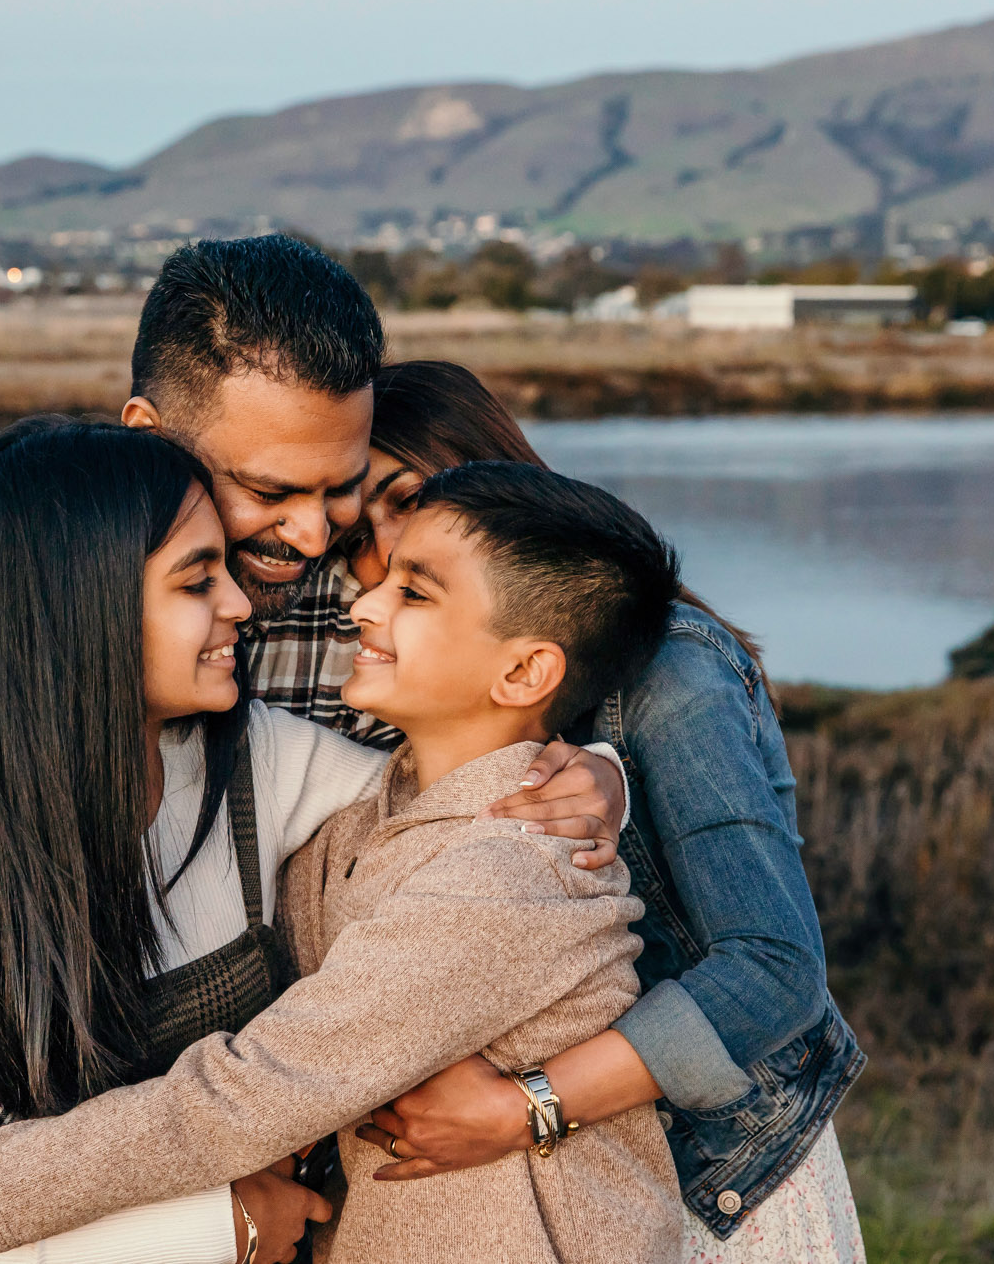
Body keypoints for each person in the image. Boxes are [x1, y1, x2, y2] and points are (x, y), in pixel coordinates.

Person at [0, 241, 629, 1260]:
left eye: (338, 486)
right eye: (266, 491)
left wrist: (591, 773)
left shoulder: (288, 701)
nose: (313, 538)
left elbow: (445, 804)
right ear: (151, 436)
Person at [0, 463, 691, 1263]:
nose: (363, 605)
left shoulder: (496, 865)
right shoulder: (373, 811)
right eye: (198, 580)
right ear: (80, 611)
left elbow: (253, 1090)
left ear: (525, 667)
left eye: (413, 594)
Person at [346, 361, 867, 1261]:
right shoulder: (416, 670)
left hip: (722, 1184)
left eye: (407, 497)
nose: (384, 550)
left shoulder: (672, 673)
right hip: (585, 1193)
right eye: (357, 529)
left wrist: (527, 1108)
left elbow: (776, 969)